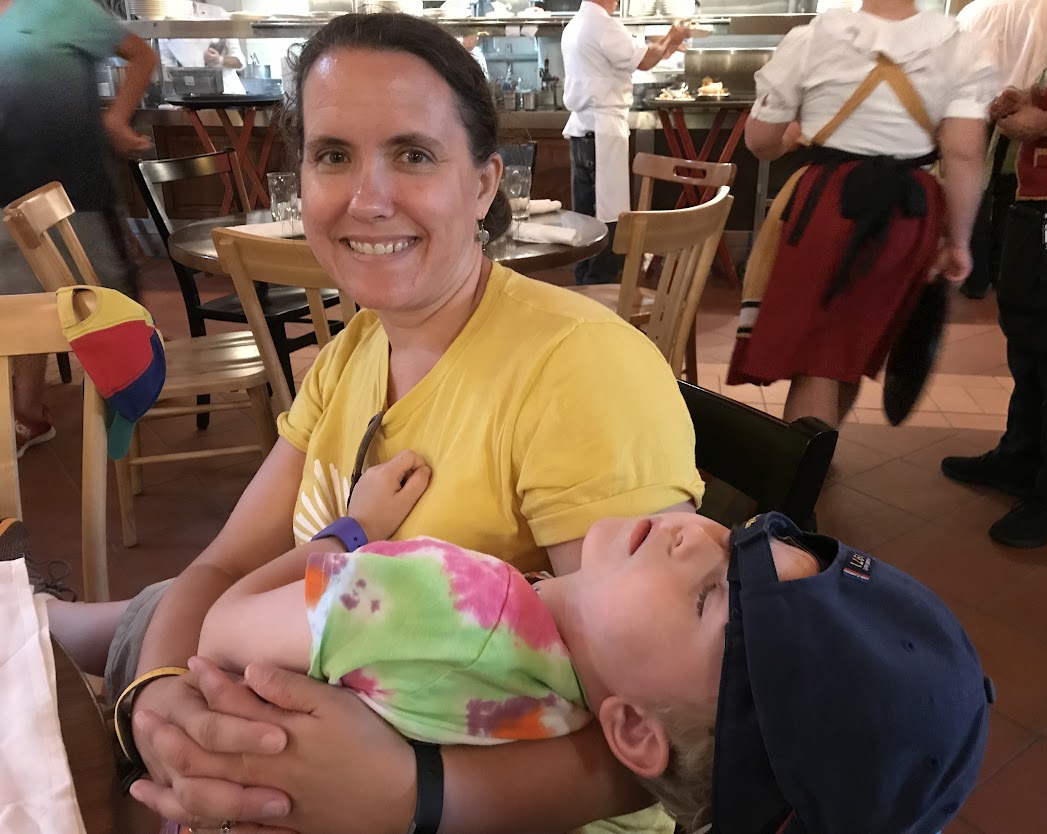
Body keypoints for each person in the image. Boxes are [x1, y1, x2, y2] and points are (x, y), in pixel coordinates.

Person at [36, 12, 706, 834]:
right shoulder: (356, 349)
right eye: (333, 155)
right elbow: (222, 565)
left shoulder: (579, 371)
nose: (367, 199)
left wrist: (414, 795)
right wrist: (160, 694)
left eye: (413, 154)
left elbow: (672, 736)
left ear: (484, 184)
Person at [194, 484, 993, 834]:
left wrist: (349, 529)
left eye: (709, 598)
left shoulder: (446, 603)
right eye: (741, 541)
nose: (694, 534)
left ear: (636, 733)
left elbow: (217, 625)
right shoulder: (645, 811)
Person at [723, 0, 997, 429]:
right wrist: (959, 240)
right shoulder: (959, 47)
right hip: (908, 213)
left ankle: (801, 469)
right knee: (849, 348)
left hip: (828, 205)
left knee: (819, 361)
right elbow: (963, 153)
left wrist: (792, 136)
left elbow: (760, 141)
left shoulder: (812, 40)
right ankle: (817, 453)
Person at [941, 0, 1047, 548]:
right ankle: (1020, 459)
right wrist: (1031, 99)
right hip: (1046, 201)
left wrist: (1046, 123)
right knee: (1033, 341)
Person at [0, 0, 155, 456]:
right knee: (21, 301)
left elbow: (142, 55)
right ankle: (28, 413)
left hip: (77, 188)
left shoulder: (64, 7)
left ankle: (132, 397)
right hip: (8, 187)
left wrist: (117, 118)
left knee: (109, 296)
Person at [561, 1, 688, 285]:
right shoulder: (603, 25)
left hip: (583, 131)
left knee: (585, 217)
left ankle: (583, 284)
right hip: (602, 133)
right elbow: (644, 61)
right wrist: (673, 35)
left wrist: (667, 43)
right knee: (607, 217)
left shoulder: (575, 25)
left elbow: (641, 54)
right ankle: (599, 287)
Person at [955, 0, 1047, 298]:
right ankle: (1003, 273)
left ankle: (973, 279)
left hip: (974, 115)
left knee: (974, 191)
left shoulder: (975, 10)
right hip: (1021, 114)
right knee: (1011, 195)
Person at [159, 1, 246, 96]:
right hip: (195, 96)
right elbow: (168, 68)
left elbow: (240, 62)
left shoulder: (217, 14)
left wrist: (219, 60)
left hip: (229, 93)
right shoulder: (163, 24)